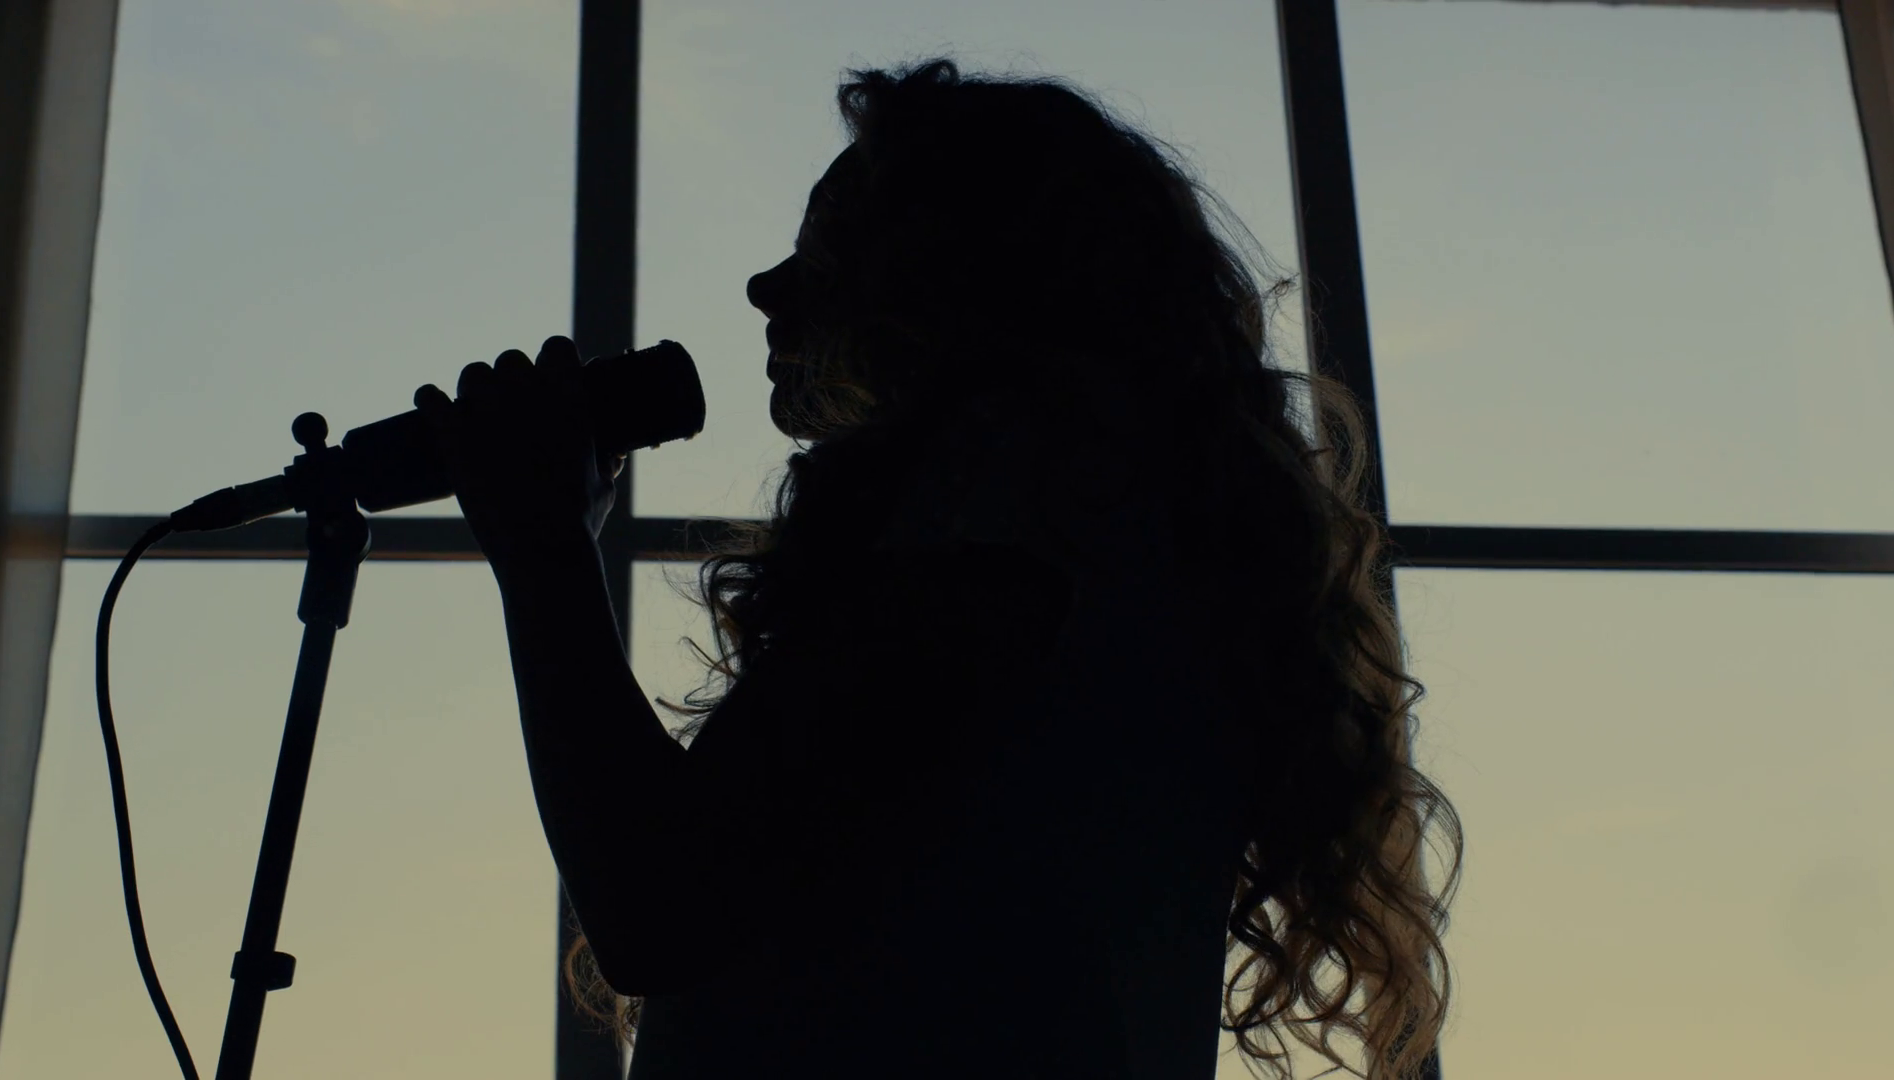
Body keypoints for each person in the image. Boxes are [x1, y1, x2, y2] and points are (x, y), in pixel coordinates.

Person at [418, 60, 1460, 1080]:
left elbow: (658, 908)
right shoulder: (1117, 545)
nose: (766, 288)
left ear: (961, 286)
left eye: (834, 251)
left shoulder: (1009, 536)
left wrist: (544, 546)